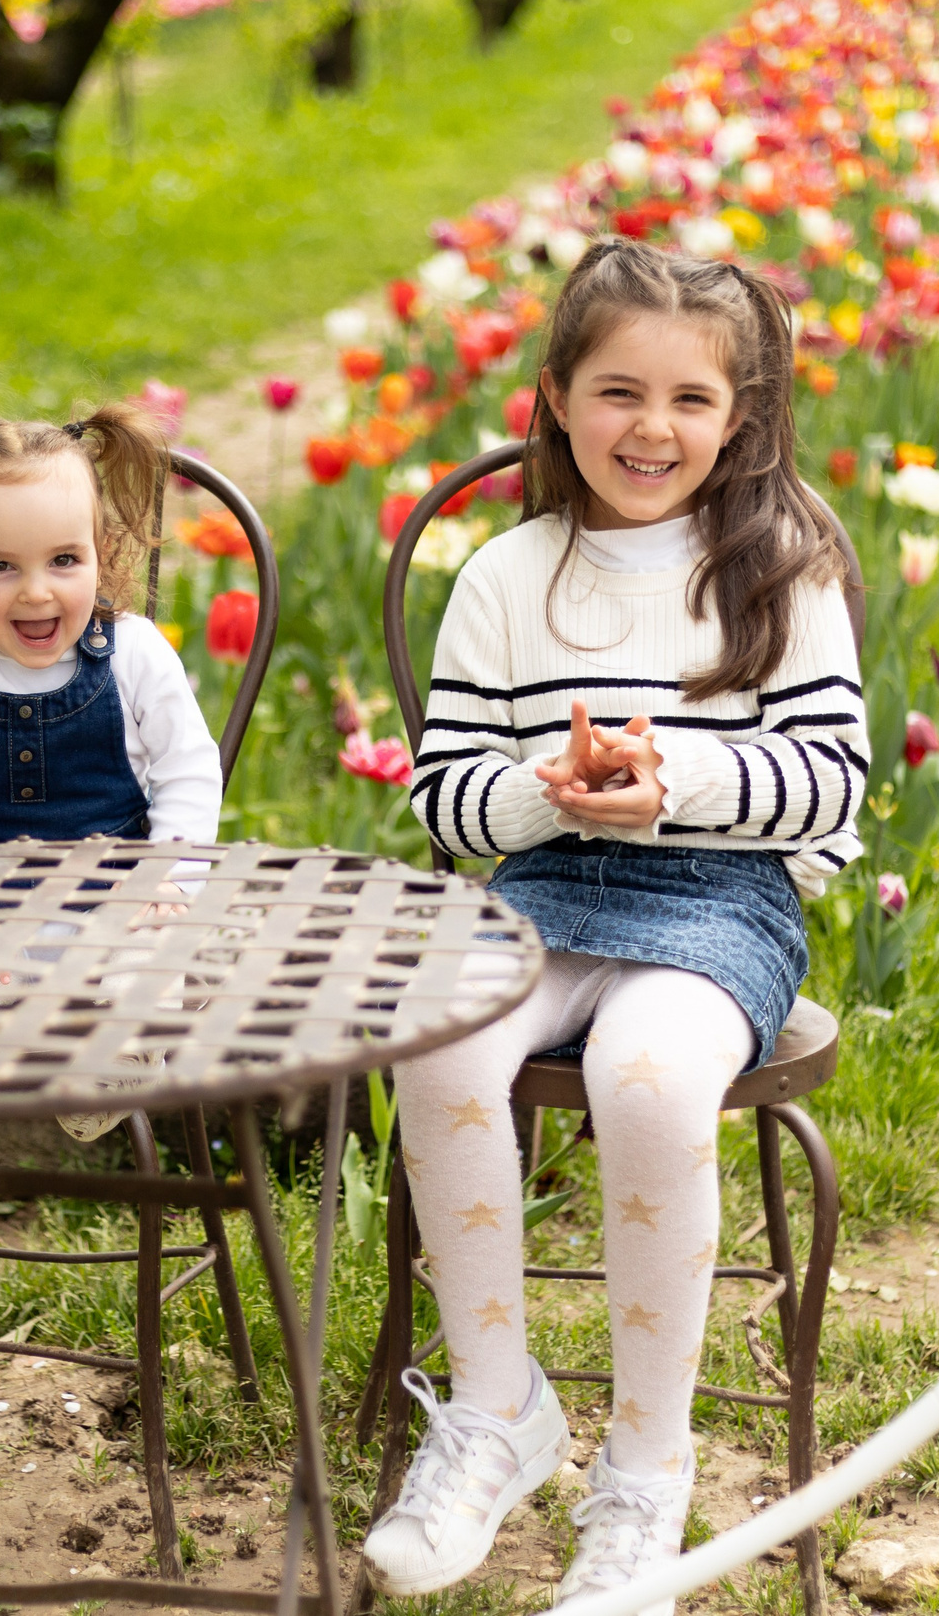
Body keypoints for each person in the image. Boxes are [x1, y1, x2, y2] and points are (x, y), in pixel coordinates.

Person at [364, 239, 866, 1615]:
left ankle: (644, 1472)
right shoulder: (508, 576)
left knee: (646, 1080)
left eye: (692, 400)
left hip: (720, 902)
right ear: (557, 394)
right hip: (544, 888)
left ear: (742, 414)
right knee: (440, 1031)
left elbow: (829, 777)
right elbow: (452, 802)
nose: (652, 428)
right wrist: (544, 787)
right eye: (619, 391)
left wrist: (680, 782)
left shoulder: (778, 565)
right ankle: (495, 1407)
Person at [0, 371, 225, 1137]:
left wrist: (170, 872)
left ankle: (109, 1062)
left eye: (63, 560)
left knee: (158, 952)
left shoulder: (132, 650)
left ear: (101, 552)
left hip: (116, 896)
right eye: (0, 566)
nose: (37, 592)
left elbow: (188, 772)